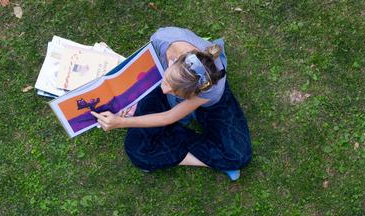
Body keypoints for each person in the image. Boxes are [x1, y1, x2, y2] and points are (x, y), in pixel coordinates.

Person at [92, 27, 251, 181]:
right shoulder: (160, 39)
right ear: (174, 61)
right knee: (137, 151)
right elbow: (143, 74)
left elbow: (169, 117)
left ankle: (173, 130)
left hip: (208, 105)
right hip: (170, 88)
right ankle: (212, 157)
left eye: (175, 91)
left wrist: (120, 122)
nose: (165, 89)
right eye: (167, 80)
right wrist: (133, 99)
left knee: (239, 156)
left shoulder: (213, 87)